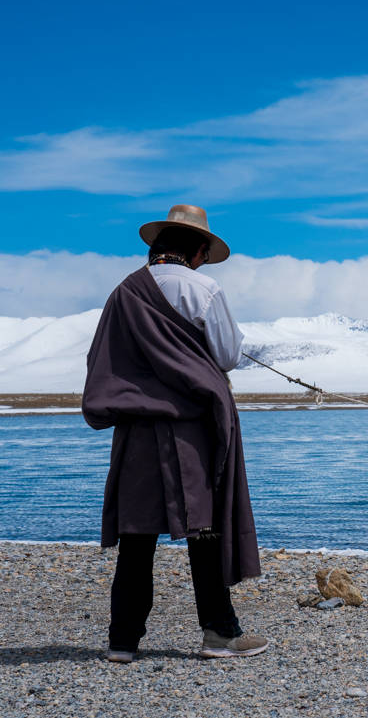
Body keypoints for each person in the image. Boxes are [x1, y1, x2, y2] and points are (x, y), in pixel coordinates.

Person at [82, 204, 267, 663]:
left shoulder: (123, 292)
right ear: (199, 250)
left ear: (157, 245)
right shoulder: (203, 287)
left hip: (136, 430)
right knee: (203, 529)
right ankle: (220, 634)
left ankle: (122, 641)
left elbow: (103, 359)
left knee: (137, 534)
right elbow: (224, 354)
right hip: (188, 428)